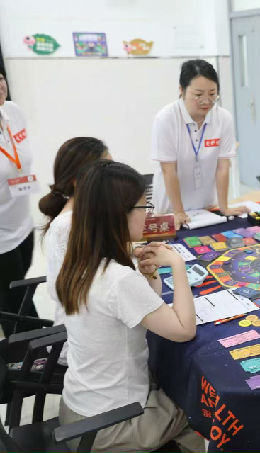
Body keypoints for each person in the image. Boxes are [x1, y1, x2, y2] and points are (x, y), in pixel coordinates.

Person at [56, 161, 204, 452]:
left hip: (77, 409)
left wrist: (149, 274)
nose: (148, 213)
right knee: (202, 404)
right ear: (118, 214)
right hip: (108, 427)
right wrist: (177, 265)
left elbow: (141, 305)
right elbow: (184, 330)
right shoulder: (118, 278)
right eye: (143, 206)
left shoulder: (79, 261)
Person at [39, 137, 111, 365]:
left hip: (87, 322)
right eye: (105, 170)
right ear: (77, 181)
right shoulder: (70, 226)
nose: (114, 176)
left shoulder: (83, 213)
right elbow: (91, 291)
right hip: (81, 340)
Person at [151, 59, 247, 228]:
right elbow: (168, 170)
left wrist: (224, 207)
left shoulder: (223, 118)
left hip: (205, 208)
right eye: (198, 95)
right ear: (181, 90)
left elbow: (223, 166)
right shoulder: (166, 118)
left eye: (212, 94)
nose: (206, 101)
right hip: (170, 209)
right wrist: (178, 212)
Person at [0, 68, 38, 335]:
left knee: (18, 286)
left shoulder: (13, 112)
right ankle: (24, 350)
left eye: (0, 79)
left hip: (22, 221)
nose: (0, 86)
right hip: (1, 235)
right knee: (14, 299)